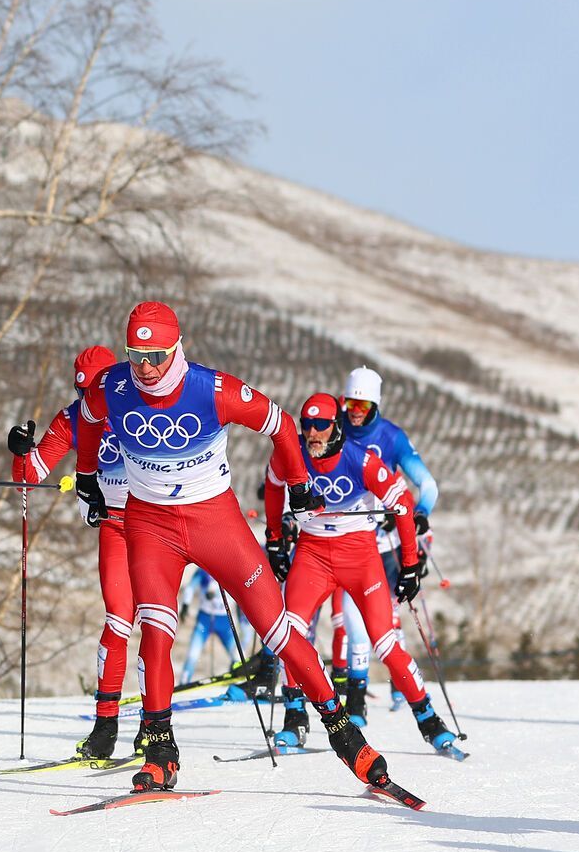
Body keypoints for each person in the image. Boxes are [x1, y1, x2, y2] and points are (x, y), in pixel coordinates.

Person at [73, 301, 399, 795]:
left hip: (215, 522)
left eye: (156, 356)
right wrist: (85, 477)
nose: (145, 367)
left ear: (176, 348)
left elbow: (283, 425)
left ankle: (346, 735)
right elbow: (89, 419)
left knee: (277, 630)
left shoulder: (212, 388)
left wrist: (298, 482)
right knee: (157, 632)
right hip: (150, 525)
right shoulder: (113, 386)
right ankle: (160, 751)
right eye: (136, 355)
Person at [262, 393, 457, 753]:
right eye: (306, 425)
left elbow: (402, 505)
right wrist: (275, 539)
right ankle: (295, 717)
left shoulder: (362, 461)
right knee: (289, 633)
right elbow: (272, 485)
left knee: (385, 642)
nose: (312, 433)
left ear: (336, 427)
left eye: (321, 425)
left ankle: (430, 720)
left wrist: (410, 564)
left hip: (361, 557)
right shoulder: (293, 454)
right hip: (313, 554)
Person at [9, 346, 142, 759]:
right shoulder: (72, 418)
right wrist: (19, 453)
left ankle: (155, 728)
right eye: (81, 391)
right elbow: (30, 477)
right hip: (116, 530)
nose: (89, 402)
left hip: (158, 529)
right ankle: (105, 728)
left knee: (155, 627)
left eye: (95, 391)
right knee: (118, 623)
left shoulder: (138, 404)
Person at [341, 366, 440, 712]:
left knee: (388, 621)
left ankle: (401, 686)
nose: (354, 413)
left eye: (362, 407)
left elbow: (428, 485)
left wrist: (420, 513)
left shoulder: (391, 437)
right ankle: (357, 695)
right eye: (350, 404)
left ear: (375, 406)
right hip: (347, 541)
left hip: (386, 545)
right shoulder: (332, 430)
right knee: (352, 623)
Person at [178, 570, 239, 685]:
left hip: (224, 621)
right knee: (192, 655)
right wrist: (185, 605)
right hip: (205, 620)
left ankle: (239, 678)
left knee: (237, 655)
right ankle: (183, 682)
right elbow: (191, 587)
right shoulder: (202, 571)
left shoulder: (229, 569)